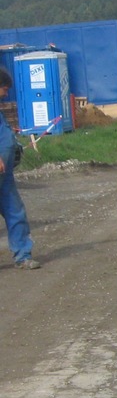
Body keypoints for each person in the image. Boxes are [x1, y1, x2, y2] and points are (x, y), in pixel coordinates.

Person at [0, 69, 40, 269]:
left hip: (4, 175)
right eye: (4, 89)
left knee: (15, 212)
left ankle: (23, 255)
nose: (6, 94)